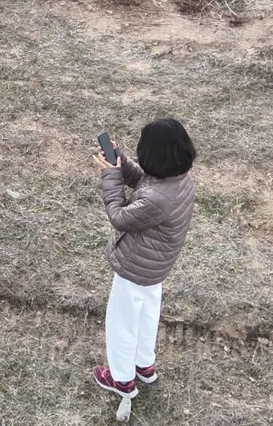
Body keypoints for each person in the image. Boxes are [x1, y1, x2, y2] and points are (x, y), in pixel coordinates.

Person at [90, 119, 197, 399]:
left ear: (154, 158)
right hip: (155, 267)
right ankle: (144, 365)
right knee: (147, 315)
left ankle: (122, 380)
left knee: (122, 323)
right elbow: (145, 181)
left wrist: (111, 176)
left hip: (135, 267)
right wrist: (121, 162)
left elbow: (120, 217)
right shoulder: (178, 179)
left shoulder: (156, 200)